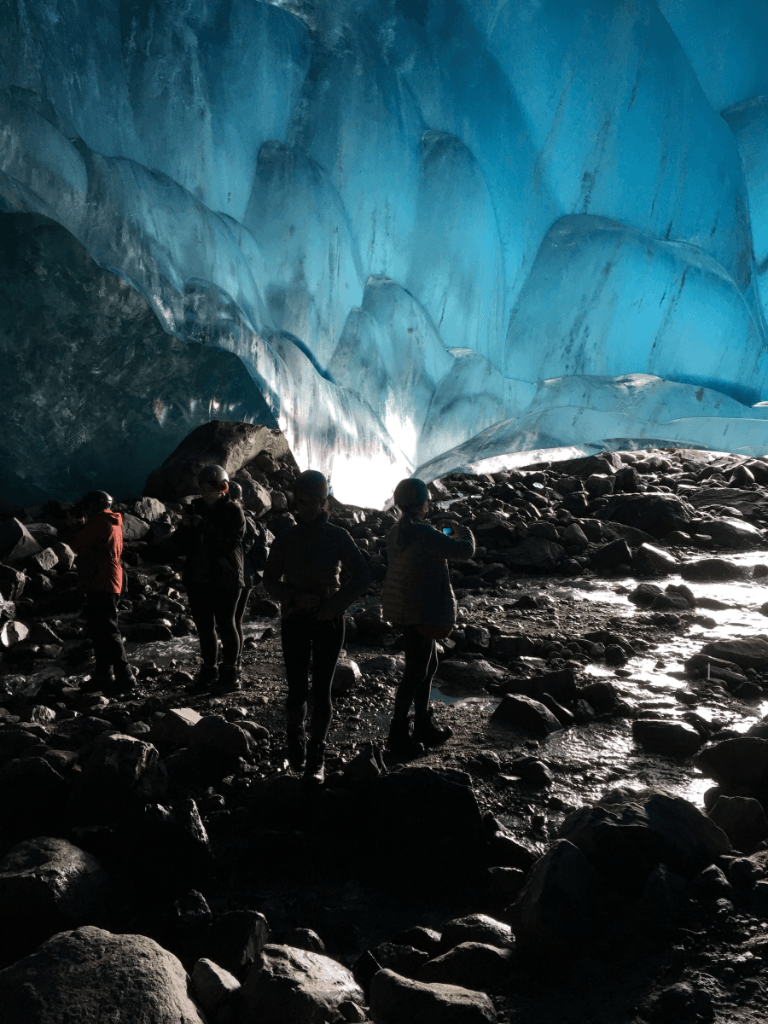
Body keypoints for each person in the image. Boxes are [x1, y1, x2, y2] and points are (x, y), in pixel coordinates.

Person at [263, 470, 370, 784]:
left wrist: (334, 605)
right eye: (304, 501)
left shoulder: (338, 536)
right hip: (295, 619)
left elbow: (363, 575)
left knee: (322, 691)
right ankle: (294, 740)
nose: (308, 507)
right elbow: (269, 580)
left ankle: (316, 756)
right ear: (297, 502)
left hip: (328, 619)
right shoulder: (285, 538)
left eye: (316, 501)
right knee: (297, 689)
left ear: (326, 502)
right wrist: (294, 597)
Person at [381, 477, 475, 757]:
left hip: (404, 608)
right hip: (421, 610)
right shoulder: (423, 533)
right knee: (416, 672)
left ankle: (422, 723)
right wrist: (464, 531)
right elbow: (463, 551)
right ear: (423, 504)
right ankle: (398, 732)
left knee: (428, 664)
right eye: (427, 500)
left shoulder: (396, 533)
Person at [177, 465, 245, 692]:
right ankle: (208, 672)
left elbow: (227, 545)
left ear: (223, 488)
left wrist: (202, 526)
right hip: (198, 578)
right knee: (205, 627)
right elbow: (182, 545)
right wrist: (184, 527)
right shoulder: (195, 507)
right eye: (202, 489)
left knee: (226, 624)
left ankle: (231, 674)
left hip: (226, 579)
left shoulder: (233, 511)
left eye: (210, 489)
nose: (205, 494)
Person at [70, 490, 134, 696]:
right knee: (100, 629)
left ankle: (125, 676)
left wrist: (79, 521)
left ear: (91, 507)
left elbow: (77, 543)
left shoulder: (99, 522)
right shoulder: (111, 520)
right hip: (107, 580)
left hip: (102, 581)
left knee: (107, 629)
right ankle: (104, 674)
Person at [227, 480, 258, 674]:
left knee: (234, 619)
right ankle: (235, 659)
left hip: (239, 575)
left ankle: (235, 661)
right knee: (236, 619)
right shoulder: (247, 517)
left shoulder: (237, 518)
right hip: (247, 575)